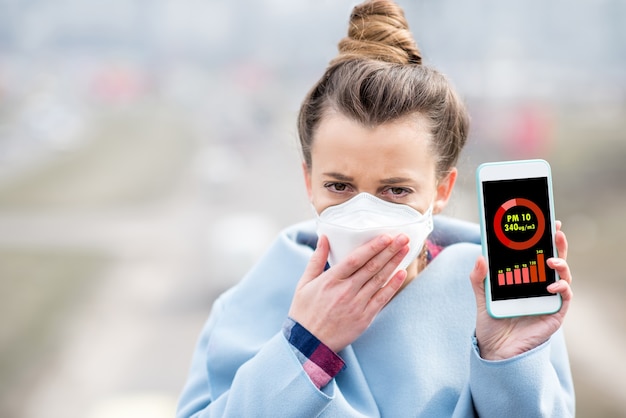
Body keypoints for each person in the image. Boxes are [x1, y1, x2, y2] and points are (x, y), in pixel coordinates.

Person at [176, 0, 575, 416]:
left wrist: (507, 363)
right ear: (308, 181)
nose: (365, 212)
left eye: (396, 190)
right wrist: (304, 349)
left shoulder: (502, 298)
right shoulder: (248, 305)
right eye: (339, 186)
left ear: (442, 190)